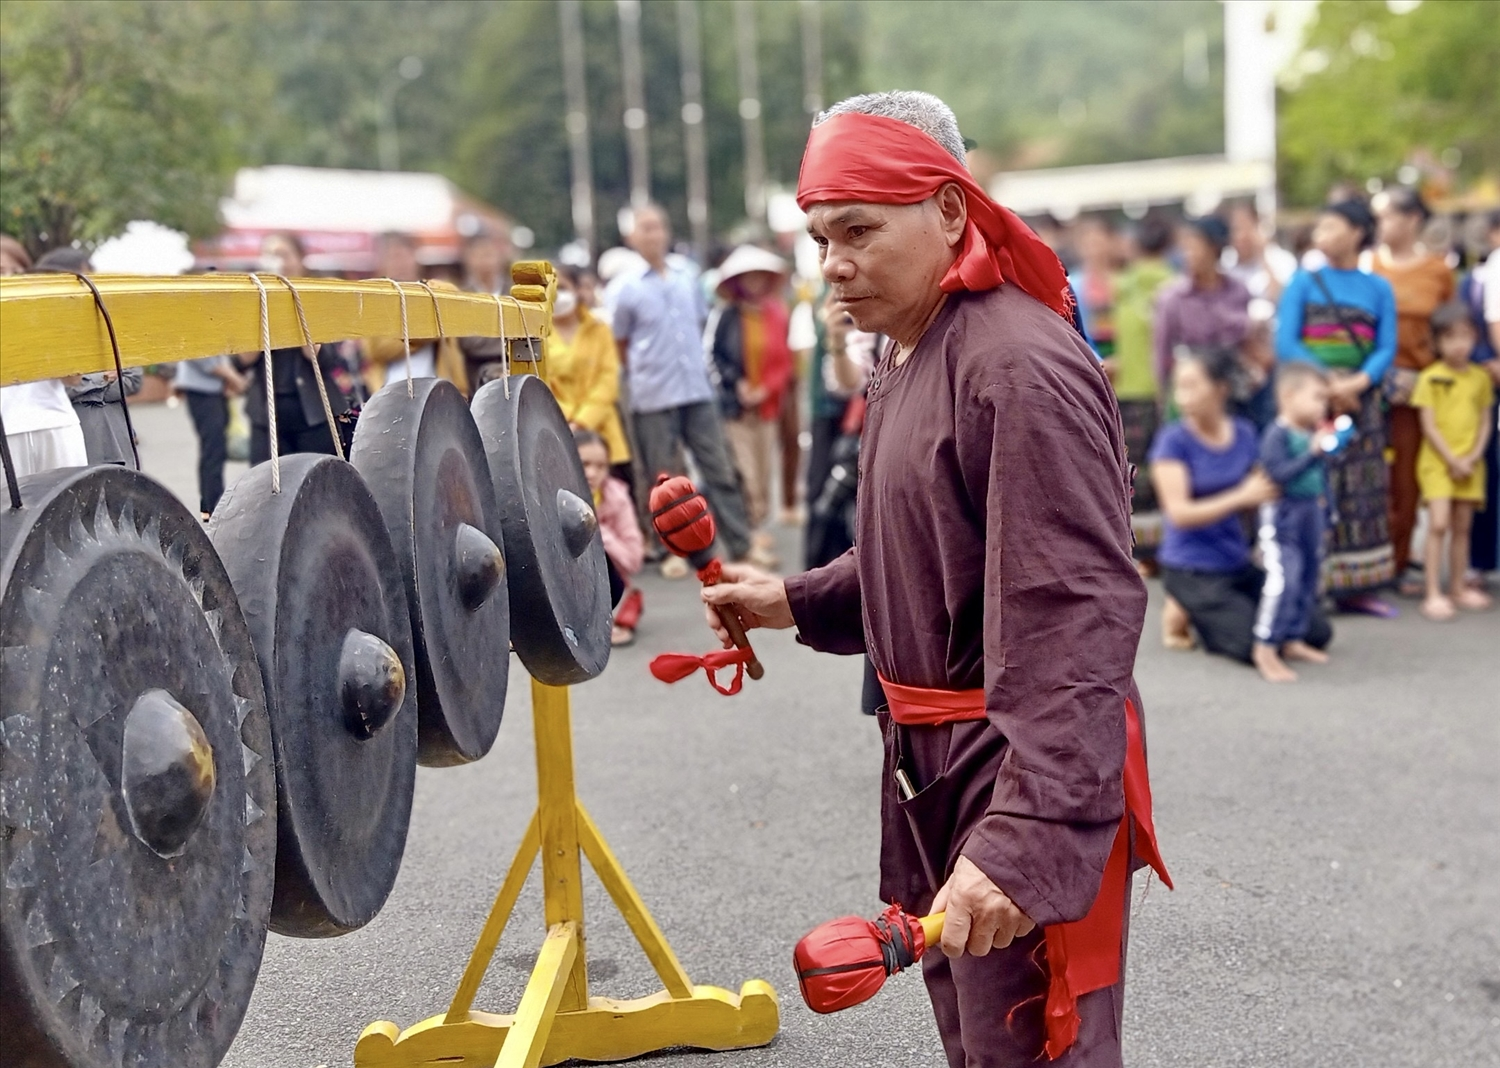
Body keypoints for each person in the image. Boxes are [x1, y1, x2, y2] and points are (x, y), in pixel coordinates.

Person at [696, 91, 1168, 1068]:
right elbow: (930, 545)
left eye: (858, 230)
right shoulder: (919, 356)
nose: (832, 263)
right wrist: (794, 599)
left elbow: (1075, 607)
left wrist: (1029, 828)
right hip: (939, 759)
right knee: (974, 1039)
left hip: (1010, 762)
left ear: (949, 211)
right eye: (821, 237)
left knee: (1033, 1049)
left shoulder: (1017, 364)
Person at [1150, 348, 1332, 664]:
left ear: (1221, 388)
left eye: (1192, 386)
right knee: (1250, 642)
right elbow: (1179, 514)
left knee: (1314, 630)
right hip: (1191, 567)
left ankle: (1208, 609)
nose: (1183, 397)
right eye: (1179, 386)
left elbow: (1265, 489)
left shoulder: (1245, 433)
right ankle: (1183, 607)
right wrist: (1240, 496)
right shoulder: (1173, 440)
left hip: (1236, 560)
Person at [1276, 200, 1399, 615]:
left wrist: (1358, 383)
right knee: (1313, 488)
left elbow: (1386, 348)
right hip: (1313, 402)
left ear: (1358, 232)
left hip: (1360, 401)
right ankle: (1312, 585)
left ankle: (1358, 588)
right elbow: (1286, 342)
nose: (1321, 233)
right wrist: (1329, 384)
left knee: (1361, 490)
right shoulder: (1303, 281)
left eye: (1332, 225)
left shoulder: (1378, 287)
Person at [613, 204, 751, 570]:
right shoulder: (623, 288)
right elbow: (619, 343)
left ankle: (741, 545)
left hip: (696, 389)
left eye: (658, 226)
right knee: (663, 480)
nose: (654, 234)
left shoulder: (687, 275)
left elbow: (701, 324)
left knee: (718, 467)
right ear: (630, 237)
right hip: (653, 394)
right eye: (645, 228)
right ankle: (679, 555)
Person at [1371, 187, 1456, 592]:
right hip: (1368, 387)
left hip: (1418, 391)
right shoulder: (1367, 265)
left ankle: (1400, 561)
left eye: (1386, 215)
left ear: (1411, 220)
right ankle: (1367, 559)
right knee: (1370, 478)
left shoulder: (1437, 271)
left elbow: (1451, 330)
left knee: (1407, 478)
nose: (1379, 224)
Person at [709, 245, 796, 567]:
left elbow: (784, 361)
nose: (755, 283)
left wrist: (766, 389)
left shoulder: (776, 312)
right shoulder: (728, 315)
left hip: (768, 405)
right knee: (745, 470)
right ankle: (750, 529)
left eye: (760, 277)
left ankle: (756, 524)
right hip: (737, 407)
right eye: (749, 278)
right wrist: (738, 384)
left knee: (763, 469)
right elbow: (717, 357)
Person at [239, 233, 355, 465]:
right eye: (271, 256)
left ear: (300, 260)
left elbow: (324, 357)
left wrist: (294, 302)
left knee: (318, 479)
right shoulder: (254, 299)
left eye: (283, 255)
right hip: (267, 414)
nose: (278, 262)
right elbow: (243, 360)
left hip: (313, 412)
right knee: (265, 485)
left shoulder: (315, 295)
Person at [1251, 363, 1335, 683]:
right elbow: (1277, 475)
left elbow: (1321, 479)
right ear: (1288, 395)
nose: (1322, 406)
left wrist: (1329, 511)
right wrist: (1312, 454)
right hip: (1283, 516)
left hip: (1310, 513)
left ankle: (1294, 638)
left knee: (1309, 575)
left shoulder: (1310, 434)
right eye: (1316, 397)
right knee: (1284, 578)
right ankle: (1265, 645)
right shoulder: (1277, 433)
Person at [1412, 302, 1494, 620]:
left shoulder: (1480, 378)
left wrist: (1472, 456)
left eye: (1465, 336)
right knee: (1439, 523)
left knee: (1463, 526)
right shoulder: (1430, 378)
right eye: (1450, 338)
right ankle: (1432, 591)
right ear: (1436, 342)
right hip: (1438, 463)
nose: (1459, 345)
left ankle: (1457, 586)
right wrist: (1451, 458)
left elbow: (1486, 421)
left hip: (1471, 463)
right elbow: (1428, 426)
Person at [1156, 217, 1266, 427]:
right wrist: (1164, 397)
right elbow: (1162, 353)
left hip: (1235, 388)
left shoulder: (1238, 290)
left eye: (1195, 246)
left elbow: (1251, 341)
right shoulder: (1173, 297)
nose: (1189, 254)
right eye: (1185, 247)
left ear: (1215, 248)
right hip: (1194, 389)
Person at [1112, 213, 1176, 565]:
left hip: (1130, 390)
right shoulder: (1176, 283)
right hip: (1171, 393)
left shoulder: (1123, 285)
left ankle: (1142, 552)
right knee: (1170, 465)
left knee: (1135, 472)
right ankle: (1170, 548)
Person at [1, 235, 90, 477]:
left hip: (53, 422)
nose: (7, 278)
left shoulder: (44, 312)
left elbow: (73, 378)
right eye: (0, 271)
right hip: (6, 430)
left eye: (15, 271)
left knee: (66, 503)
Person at [545, 265, 633, 488]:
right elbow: (538, 384)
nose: (556, 294)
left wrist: (583, 420)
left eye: (562, 287)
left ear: (577, 289)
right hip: (557, 430)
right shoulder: (532, 335)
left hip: (601, 427)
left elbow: (608, 379)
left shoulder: (599, 329)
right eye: (549, 289)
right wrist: (567, 420)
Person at [363, 231, 468, 396]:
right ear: (383, 263)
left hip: (437, 389)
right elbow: (377, 350)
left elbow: (452, 314)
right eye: (393, 257)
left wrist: (402, 336)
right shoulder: (374, 299)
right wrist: (426, 332)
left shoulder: (435, 290)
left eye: (404, 255)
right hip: (388, 391)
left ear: (415, 257)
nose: (400, 263)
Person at [575, 427, 644, 645]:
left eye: (601, 466)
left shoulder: (617, 498)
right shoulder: (546, 492)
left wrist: (597, 529)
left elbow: (633, 560)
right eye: (584, 464)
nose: (592, 473)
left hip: (607, 579)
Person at [458, 226, 514, 387]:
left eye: (489, 254)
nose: (485, 260)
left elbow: (526, 334)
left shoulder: (515, 291)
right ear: (468, 259)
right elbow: (469, 342)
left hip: (517, 368)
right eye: (479, 255)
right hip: (477, 375)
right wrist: (507, 330)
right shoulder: (461, 296)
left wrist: (484, 328)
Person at [1068, 214, 1118, 359]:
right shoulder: (1072, 286)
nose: (1095, 249)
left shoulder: (1122, 281)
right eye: (1089, 243)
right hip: (1091, 361)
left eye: (1099, 242)